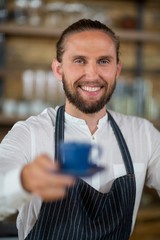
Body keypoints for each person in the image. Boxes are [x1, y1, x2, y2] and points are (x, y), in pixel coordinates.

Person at [0, 18, 160, 240]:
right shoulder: (30, 134)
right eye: (79, 60)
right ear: (58, 70)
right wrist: (23, 181)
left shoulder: (143, 134)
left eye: (104, 61)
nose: (92, 74)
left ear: (117, 69)